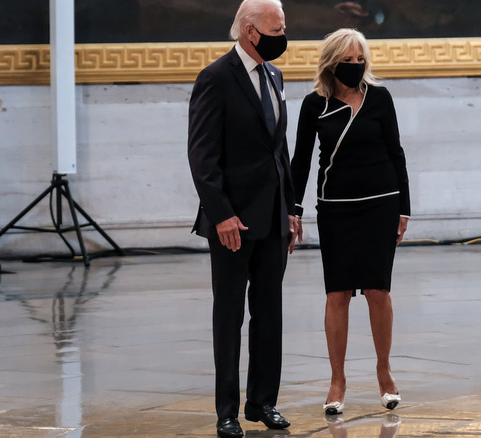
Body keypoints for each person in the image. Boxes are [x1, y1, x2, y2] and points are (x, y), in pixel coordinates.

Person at [187, 1, 299, 436]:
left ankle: (263, 402)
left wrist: (291, 209)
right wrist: (222, 215)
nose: (283, 34)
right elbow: (202, 156)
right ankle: (227, 411)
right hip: (232, 222)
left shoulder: (275, 76)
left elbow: (279, 152)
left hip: (272, 217)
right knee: (229, 316)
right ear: (250, 31)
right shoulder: (215, 78)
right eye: (277, 27)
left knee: (270, 314)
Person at [290, 28, 410, 415]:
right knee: (337, 293)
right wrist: (294, 209)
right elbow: (301, 161)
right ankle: (337, 379)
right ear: (331, 62)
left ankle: (384, 372)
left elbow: (396, 153)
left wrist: (403, 210)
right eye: (348, 60)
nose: (355, 66)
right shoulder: (314, 105)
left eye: (360, 60)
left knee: (378, 291)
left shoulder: (380, 98)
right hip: (337, 208)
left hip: (381, 205)